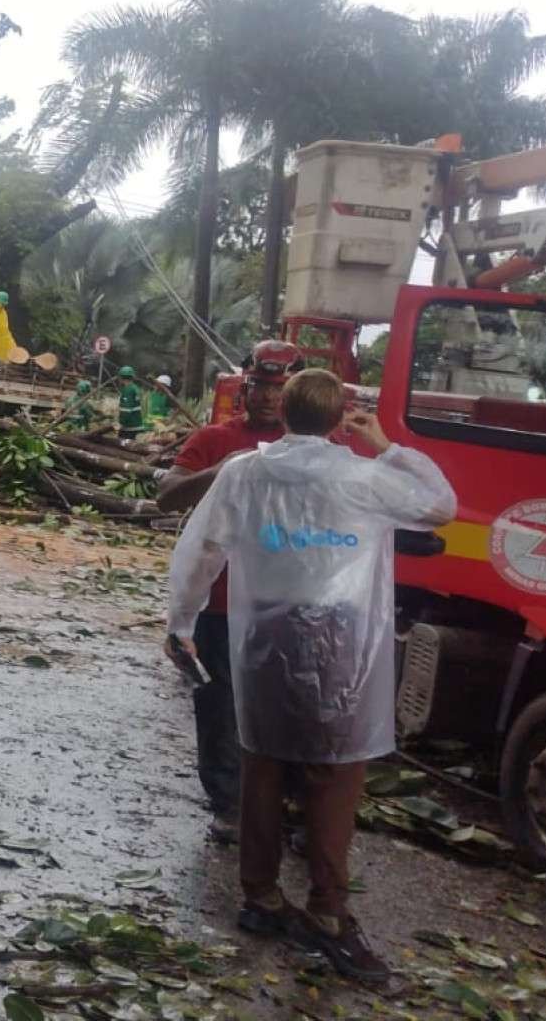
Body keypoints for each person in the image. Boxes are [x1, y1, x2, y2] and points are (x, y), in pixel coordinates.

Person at [167, 369, 454, 984]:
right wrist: (386, 444)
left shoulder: (245, 470)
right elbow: (440, 507)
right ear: (337, 418)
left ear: (285, 411)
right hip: (341, 638)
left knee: (263, 763)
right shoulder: (363, 475)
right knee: (335, 770)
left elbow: (201, 547)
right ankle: (326, 907)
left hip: (263, 631)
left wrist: (181, 619)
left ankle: (262, 896)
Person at [157, 339, 301, 841]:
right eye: (260, 386)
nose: (266, 397)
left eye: (278, 389)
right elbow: (167, 495)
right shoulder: (215, 440)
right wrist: (221, 473)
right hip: (218, 601)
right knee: (219, 705)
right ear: (246, 387)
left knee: (287, 706)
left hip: (286, 602)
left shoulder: (312, 452)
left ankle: (289, 807)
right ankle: (229, 805)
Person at [117, 365, 145, 440]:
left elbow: (126, 409)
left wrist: (120, 423)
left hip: (129, 427)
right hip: (137, 424)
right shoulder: (135, 387)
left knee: (122, 446)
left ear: (121, 377)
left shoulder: (128, 390)